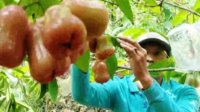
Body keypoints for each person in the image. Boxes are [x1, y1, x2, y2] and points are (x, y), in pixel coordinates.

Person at [71, 32, 199, 112]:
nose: (149, 58)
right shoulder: (119, 87)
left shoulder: (185, 93)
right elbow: (83, 95)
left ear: (168, 59)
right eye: (144, 52)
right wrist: (80, 50)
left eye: (157, 53)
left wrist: (145, 79)